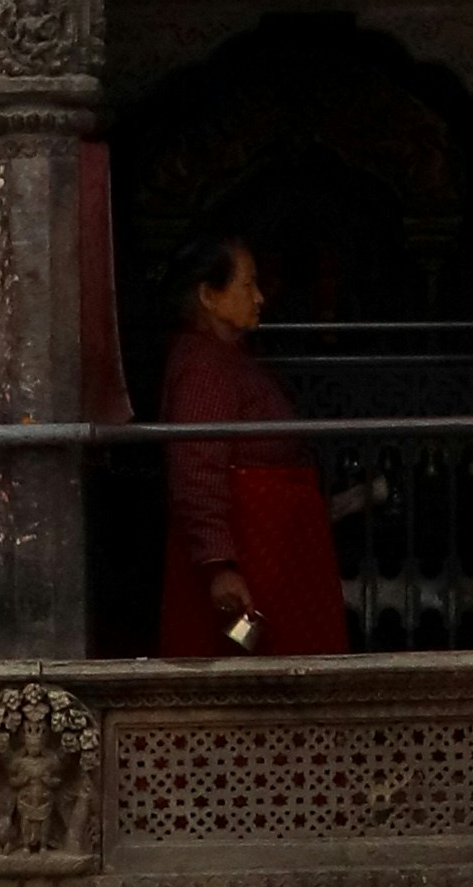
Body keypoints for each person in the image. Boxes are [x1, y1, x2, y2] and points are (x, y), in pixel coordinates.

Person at [156, 234, 348, 659]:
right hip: (248, 556)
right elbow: (196, 467)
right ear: (209, 295)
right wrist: (219, 566)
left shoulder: (226, 357)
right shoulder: (203, 367)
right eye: (247, 285)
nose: (259, 297)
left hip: (272, 551)